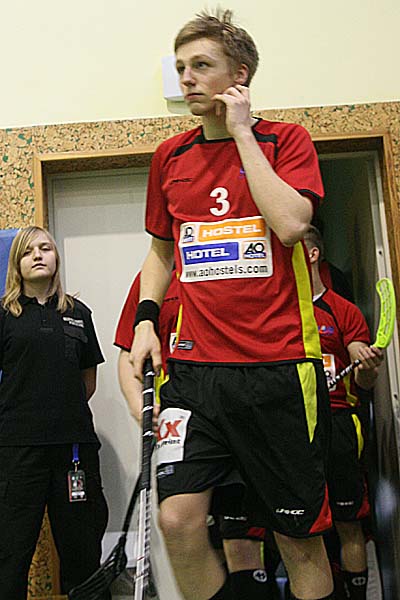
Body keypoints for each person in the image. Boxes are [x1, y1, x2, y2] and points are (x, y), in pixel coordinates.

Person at [130, 9, 334, 600]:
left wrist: (243, 133)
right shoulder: (170, 157)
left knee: (297, 537)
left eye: (201, 65)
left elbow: (292, 224)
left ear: (239, 74)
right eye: (180, 68)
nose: (186, 78)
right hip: (195, 374)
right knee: (177, 520)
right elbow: (161, 252)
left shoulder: (286, 141)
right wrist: (146, 321)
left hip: (276, 369)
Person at [115, 270, 276, 599]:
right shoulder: (154, 278)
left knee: (241, 541)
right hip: (183, 418)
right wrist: (139, 406)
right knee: (179, 523)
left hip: (246, 408)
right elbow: (130, 352)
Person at [0, 226, 109, 600]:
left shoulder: (78, 313)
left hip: (74, 451)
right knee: (11, 553)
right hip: (17, 452)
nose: (37, 255)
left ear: (56, 257)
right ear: (17, 264)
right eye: (28, 251)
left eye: (45, 248)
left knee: (83, 552)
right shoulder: (5, 315)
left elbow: (87, 381)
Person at [304, 225, 384, 600]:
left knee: (348, 521)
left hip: (338, 423)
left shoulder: (342, 310)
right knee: (302, 527)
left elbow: (364, 379)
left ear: (313, 253)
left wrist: (366, 364)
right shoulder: (277, 312)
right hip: (292, 428)